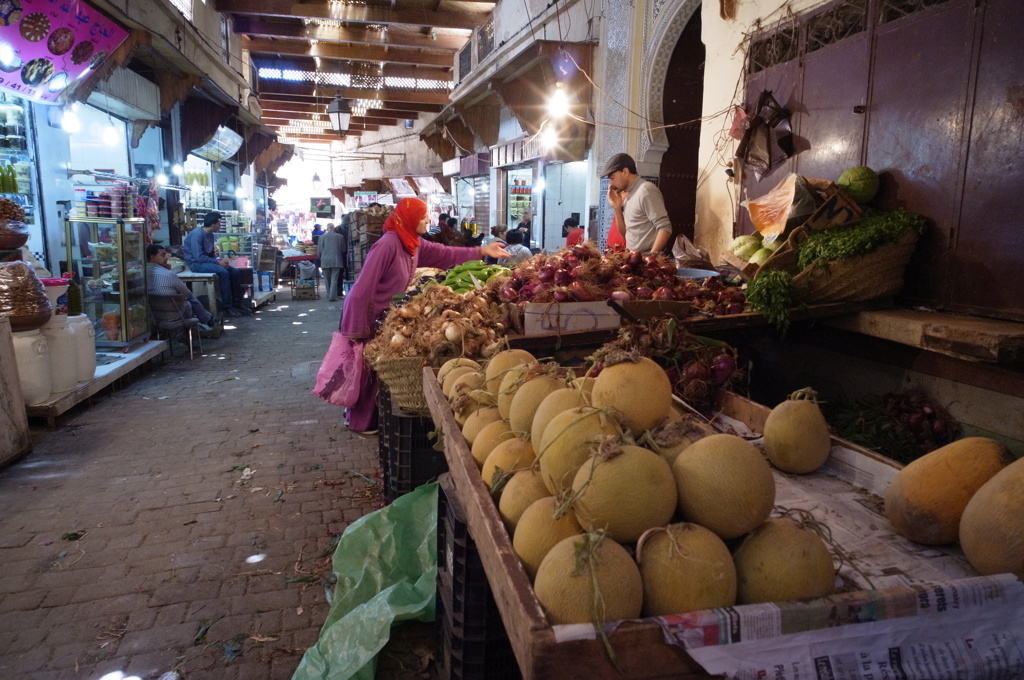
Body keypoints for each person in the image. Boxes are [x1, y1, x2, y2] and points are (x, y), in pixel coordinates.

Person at [337, 198, 509, 434]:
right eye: (423, 216)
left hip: (389, 315)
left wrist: (481, 250)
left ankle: (372, 419)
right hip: (368, 315)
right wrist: (356, 325)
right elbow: (362, 287)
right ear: (408, 218)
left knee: (378, 372)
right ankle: (360, 422)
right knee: (365, 371)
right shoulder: (388, 244)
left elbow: (443, 253)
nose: (428, 219)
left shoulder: (412, 243)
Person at [182, 211, 251, 317]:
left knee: (235, 272)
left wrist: (220, 260)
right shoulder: (197, 235)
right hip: (196, 264)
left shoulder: (210, 235)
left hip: (207, 262)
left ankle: (237, 303)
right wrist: (217, 262)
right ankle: (227, 307)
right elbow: (198, 257)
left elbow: (211, 254)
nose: (220, 225)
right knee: (224, 272)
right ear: (213, 224)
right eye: (219, 223)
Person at [601, 152, 672, 253]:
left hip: (647, 261)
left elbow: (665, 227)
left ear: (625, 172)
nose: (611, 184)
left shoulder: (645, 190)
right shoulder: (629, 194)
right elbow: (625, 235)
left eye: (612, 178)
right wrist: (616, 208)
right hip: (634, 259)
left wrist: (651, 257)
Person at [145, 244, 215, 331]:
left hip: (152, 316)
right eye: (162, 255)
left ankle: (205, 318)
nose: (166, 257)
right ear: (152, 257)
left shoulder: (141, 273)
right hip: (175, 315)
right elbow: (187, 294)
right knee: (190, 299)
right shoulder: (168, 275)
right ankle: (206, 319)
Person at [318, 223, 346, 302]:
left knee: (327, 279)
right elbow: (343, 249)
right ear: (334, 228)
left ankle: (329, 294)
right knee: (334, 278)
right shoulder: (340, 237)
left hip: (325, 260)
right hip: (336, 260)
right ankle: (332, 296)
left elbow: (320, 250)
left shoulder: (322, 237)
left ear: (327, 228)